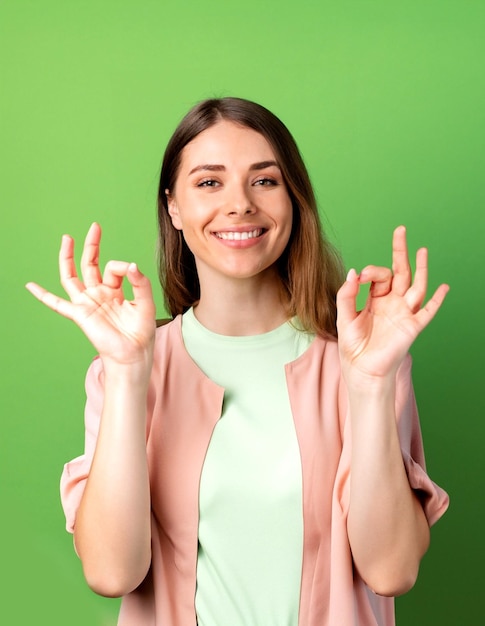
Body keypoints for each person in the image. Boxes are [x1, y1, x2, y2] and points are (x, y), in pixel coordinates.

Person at [26, 97, 449, 626]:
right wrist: (130, 375)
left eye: (265, 181)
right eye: (209, 182)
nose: (240, 204)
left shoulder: (362, 362)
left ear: (293, 199)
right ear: (174, 208)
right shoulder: (125, 371)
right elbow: (113, 574)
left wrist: (369, 384)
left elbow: (392, 572)